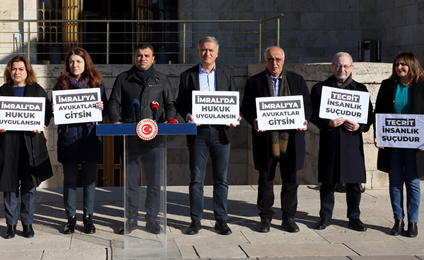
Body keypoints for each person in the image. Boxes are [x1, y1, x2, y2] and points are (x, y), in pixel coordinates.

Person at [241, 46, 312, 233]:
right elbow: (246, 106)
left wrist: (305, 119)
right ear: (265, 61)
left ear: (284, 59)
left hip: (291, 139)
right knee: (266, 179)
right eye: (271, 59)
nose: (275, 63)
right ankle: (265, 217)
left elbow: (307, 105)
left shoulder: (297, 80)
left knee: (290, 180)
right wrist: (254, 120)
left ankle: (288, 218)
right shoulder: (254, 82)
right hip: (265, 140)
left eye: (278, 59)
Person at [108, 43, 176, 234]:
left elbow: (170, 104)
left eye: (146, 55)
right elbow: (113, 102)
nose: (142, 59)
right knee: (131, 182)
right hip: (130, 137)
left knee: (154, 181)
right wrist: (116, 120)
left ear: (153, 58)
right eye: (139, 55)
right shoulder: (123, 79)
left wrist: (170, 119)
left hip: (156, 138)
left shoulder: (161, 79)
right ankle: (130, 219)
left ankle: (152, 219)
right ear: (134, 57)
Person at [175, 36, 239, 235]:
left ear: (217, 53)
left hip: (221, 133)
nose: (207, 53)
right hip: (199, 134)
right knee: (197, 179)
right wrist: (187, 115)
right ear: (198, 52)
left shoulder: (228, 73)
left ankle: (221, 220)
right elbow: (180, 102)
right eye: (204, 49)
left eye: (211, 50)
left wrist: (235, 115)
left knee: (221, 178)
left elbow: (233, 98)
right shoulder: (187, 76)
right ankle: (196, 220)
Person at [0, 55, 53, 239]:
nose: (17, 72)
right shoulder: (3, 90)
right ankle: (11, 224)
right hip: (8, 143)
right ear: (9, 71)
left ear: (27, 71)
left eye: (20, 69)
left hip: (30, 144)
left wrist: (41, 124)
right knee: (9, 185)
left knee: (29, 185)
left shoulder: (37, 90)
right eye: (14, 69)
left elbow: (46, 113)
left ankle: (27, 223)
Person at [310, 52, 373, 232]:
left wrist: (359, 126)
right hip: (330, 141)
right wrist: (327, 122)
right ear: (332, 66)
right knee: (328, 181)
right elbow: (312, 114)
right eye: (338, 65)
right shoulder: (320, 89)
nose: (342, 69)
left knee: (354, 183)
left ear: (351, 67)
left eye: (346, 66)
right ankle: (325, 216)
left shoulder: (361, 90)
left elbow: (369, 117)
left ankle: (354, 217)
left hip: (352, 143)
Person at [374, 52, 424, 238]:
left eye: (404, 64)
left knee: (413, 183)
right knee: (395, 182)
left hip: (414, 145)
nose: (400, 67)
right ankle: (398, 220)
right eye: (397, 64)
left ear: (412, 66)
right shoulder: (387, 85)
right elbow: (379, 112)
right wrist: (379, 135)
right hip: (393, 144)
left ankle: (412, 222)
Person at [54, 47, 107, 234]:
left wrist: (102, 105)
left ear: (86, 63)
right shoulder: (61, 84)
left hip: (90, 137)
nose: (75, 65)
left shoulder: (97, 84)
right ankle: (71, 219)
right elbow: (55, 113)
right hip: (68, 138)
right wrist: (54, 109)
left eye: (78, 61)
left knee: (89, 181)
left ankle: (88, 219)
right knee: (69, 180)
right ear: (67, 64)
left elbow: (106, 110)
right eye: (71, 61)